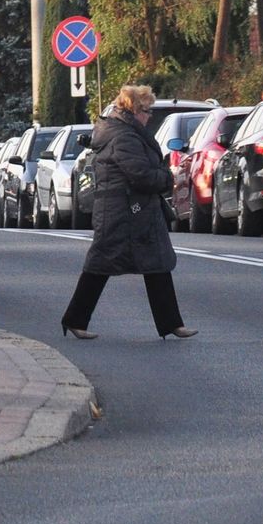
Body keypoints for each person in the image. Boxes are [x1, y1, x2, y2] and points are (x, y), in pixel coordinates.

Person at [59, 84, 197, 340]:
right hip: (123, 212)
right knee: (101, 265)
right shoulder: (124, 137)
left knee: (155, 263)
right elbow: (140, 175)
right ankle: (74, 319)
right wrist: (167, 177)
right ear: (134, 110)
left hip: (131, 210)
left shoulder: (123, 132)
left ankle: (171, 324)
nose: (150, 116)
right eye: (147, 110)